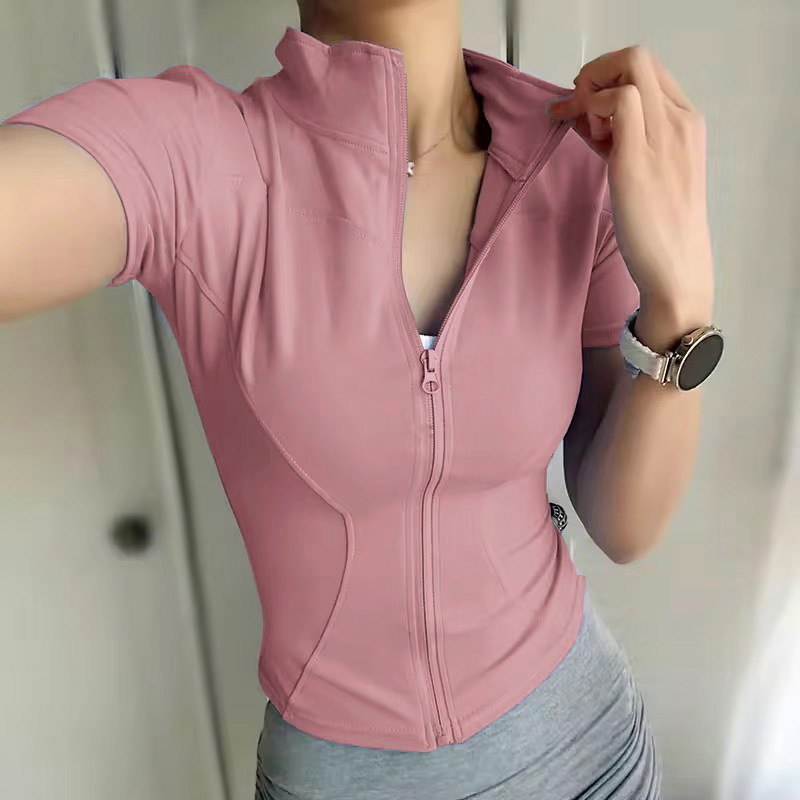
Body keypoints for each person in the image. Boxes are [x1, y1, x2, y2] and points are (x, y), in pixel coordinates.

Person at [1, 0, 720, 797]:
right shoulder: (199, 158)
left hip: (592, 750)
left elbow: (624, 524)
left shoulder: (580, 157)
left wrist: (680, 307)